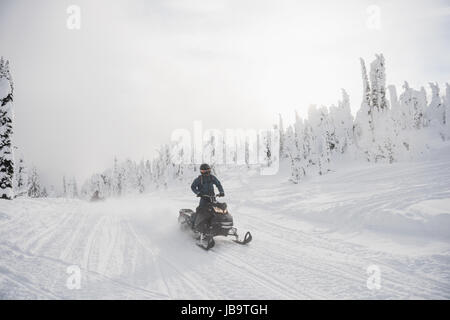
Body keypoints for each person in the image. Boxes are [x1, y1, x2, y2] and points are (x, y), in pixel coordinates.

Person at [190, 163, 225, 232]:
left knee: (217, 211)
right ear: (201, 172)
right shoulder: (199, 179)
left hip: (212, 197)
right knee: (200, 210)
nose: (206, 173)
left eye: (208, 170)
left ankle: (216, 225)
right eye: (204, 171)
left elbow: (218, 184)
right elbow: (193, 187)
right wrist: (198, 193)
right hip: (204, 198)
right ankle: (194, 225)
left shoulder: (212, 177)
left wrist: (221, 192)